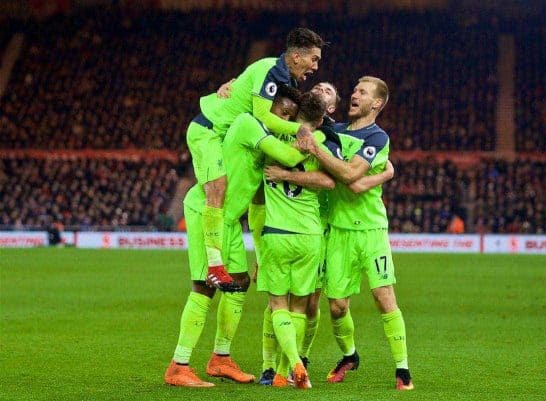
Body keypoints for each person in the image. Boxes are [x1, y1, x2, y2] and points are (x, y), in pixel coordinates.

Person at [165, 87, 311, 388]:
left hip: (229, 221)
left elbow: (258, 201)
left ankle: (220, 358)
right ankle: (179, 365)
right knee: (206, 285)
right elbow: (287, 154)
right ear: (266, 106)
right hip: (206, 211)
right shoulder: (248, 123)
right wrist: (313, 136)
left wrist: (260, 251)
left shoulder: (265, 140)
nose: (285, 120)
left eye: (290, 117)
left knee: (239, 283)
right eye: (282, 113)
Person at [300, 76, 414, 391]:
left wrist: (320, 153)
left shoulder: (377, 138)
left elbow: (351, 176)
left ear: (376, 103)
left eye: (362, 92)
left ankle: (403, 370)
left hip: (372, 230)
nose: (354, 94)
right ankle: (350, 355)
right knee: (336, 305)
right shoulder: (333, 131)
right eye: (353, 90)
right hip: (338, 231)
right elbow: (302, 118)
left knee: (383, 295)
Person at [189, 27, 324, 290]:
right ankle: (214, 265)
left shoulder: (284, 80)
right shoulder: (270, 70)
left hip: (226, 134)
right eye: (314, 59)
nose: (315, 67)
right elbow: (263, 116)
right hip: (208, 129)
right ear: (296, 57)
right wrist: (300, 130)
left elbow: (246, 87)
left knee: (247, 191)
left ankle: (243, 259)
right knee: (217, 188)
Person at [256, 91, 334, 389]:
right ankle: (284, 372)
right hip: (310, 236)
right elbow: (328, 181)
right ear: (321, 118)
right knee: (300, 307)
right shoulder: (321, 142)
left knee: (277, 305)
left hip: (277, 233)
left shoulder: (272, 141)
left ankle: (293, 363)